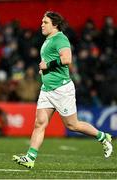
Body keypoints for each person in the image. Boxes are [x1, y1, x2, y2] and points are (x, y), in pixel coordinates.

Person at [13, 11, 113, 168]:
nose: (42, 24)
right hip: (47, 89)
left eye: (45, 22)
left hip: (61, 89)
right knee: (39, 123)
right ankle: (30, 157)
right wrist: (44, 70)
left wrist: (48, 65)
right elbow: (51, 61)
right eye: (42, 22)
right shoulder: (48, 40)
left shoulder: (60, 38)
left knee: (72, 125)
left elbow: (67, 59)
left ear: (55, 25)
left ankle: (103, 137)